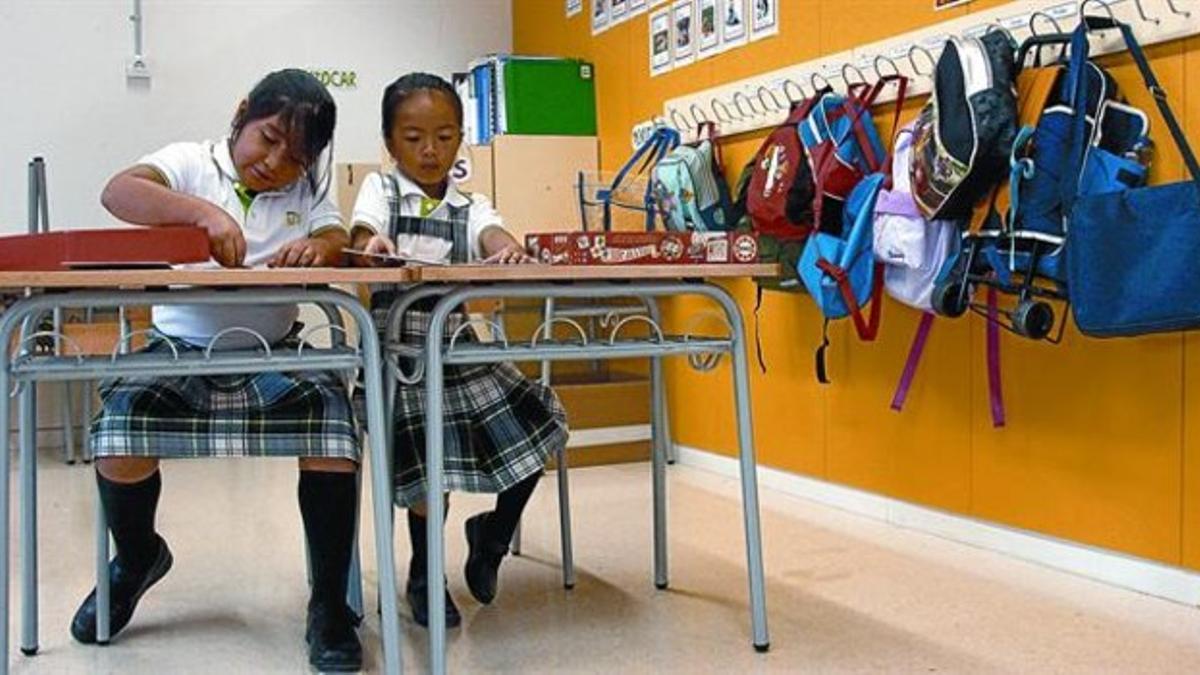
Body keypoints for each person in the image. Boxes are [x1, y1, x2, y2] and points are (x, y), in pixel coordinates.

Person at [75, 68, 362, 672]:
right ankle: (135, 559)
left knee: (336, 426)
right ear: (241, 115)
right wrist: (201, 214)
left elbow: (336, 232)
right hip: (176, 349)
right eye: (269, 138)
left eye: (297, 155)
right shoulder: (190, 161)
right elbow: (118, 191)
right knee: (119, 428)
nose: (276, 162)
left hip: (273, 351)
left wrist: (323, 247)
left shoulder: (306, 189)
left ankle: (329, 605)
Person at [349, 72, 569, 628]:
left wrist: (510, 251)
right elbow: (361, 237)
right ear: (389, 141)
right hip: (396, 357)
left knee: (540, 424)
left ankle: (491, 535)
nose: (430, 150)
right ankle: (425, 574)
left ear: (460, 138)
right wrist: (369, 247)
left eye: (445, 137)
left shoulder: (470, 204)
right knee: (430, 467)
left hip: (457, 348)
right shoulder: (382, 189)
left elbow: (494, 235)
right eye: (414, 136)